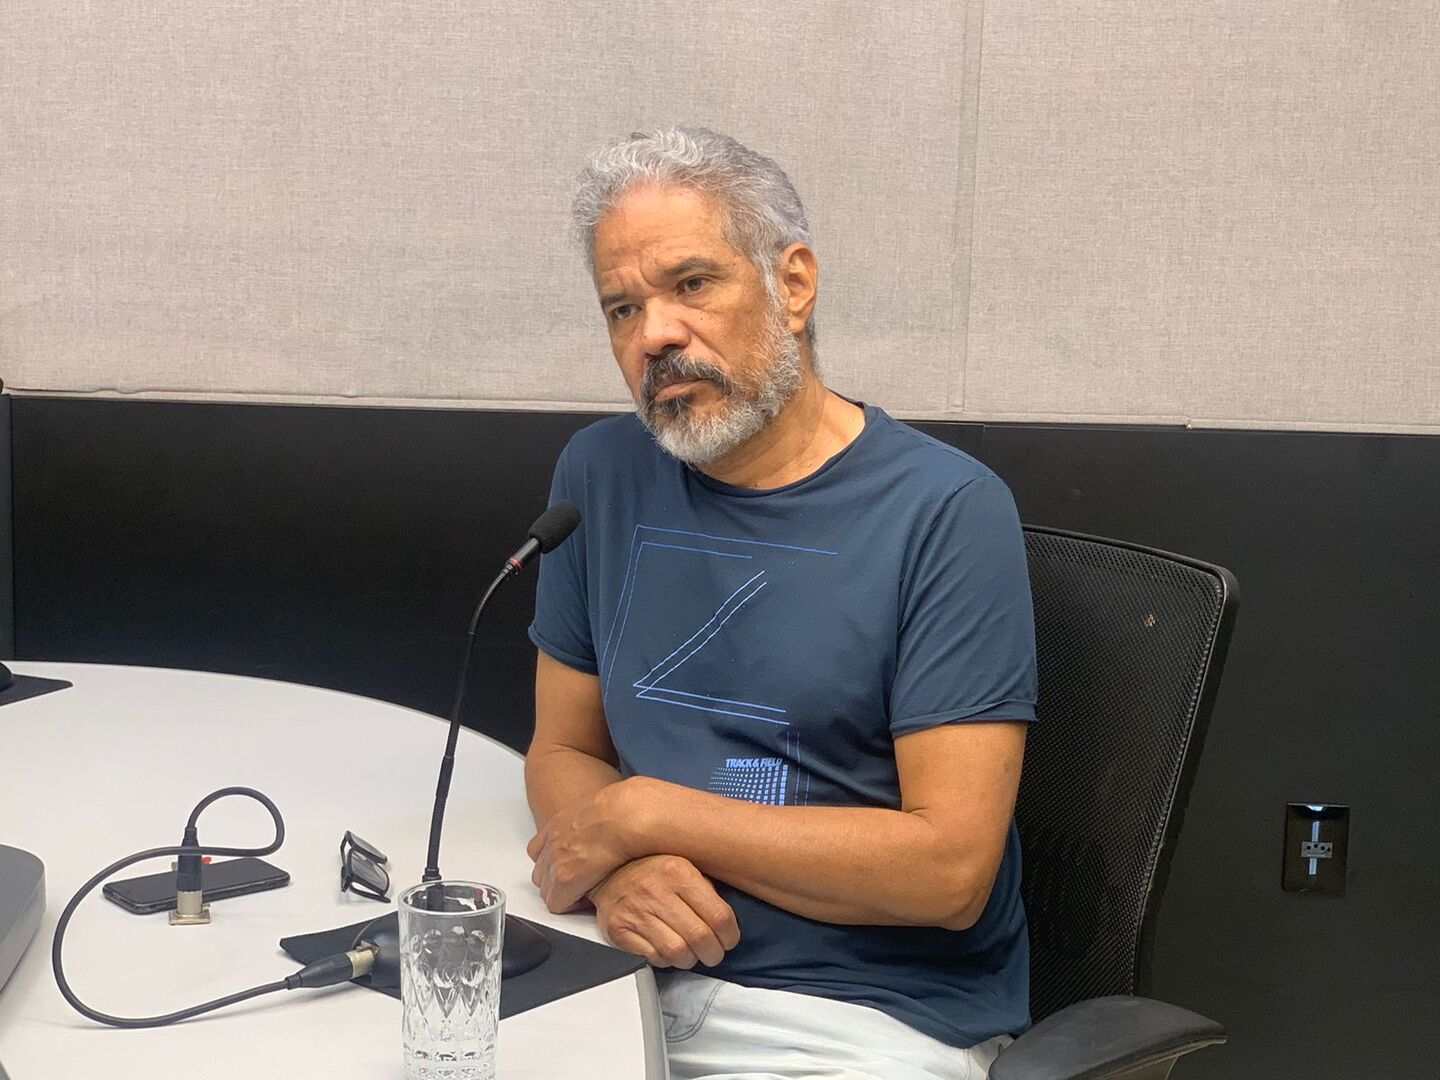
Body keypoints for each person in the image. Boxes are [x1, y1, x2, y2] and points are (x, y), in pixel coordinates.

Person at [524, 127, 1037, 1080]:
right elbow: (563, 749)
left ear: (792, 285)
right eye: (622, 308)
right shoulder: (599, 474)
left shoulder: (946, 510)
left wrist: (645, 817)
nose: (655, 336)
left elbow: (950, 873)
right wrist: (626, 867)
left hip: (854, 1019)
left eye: (690, 285)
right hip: (622, 977)